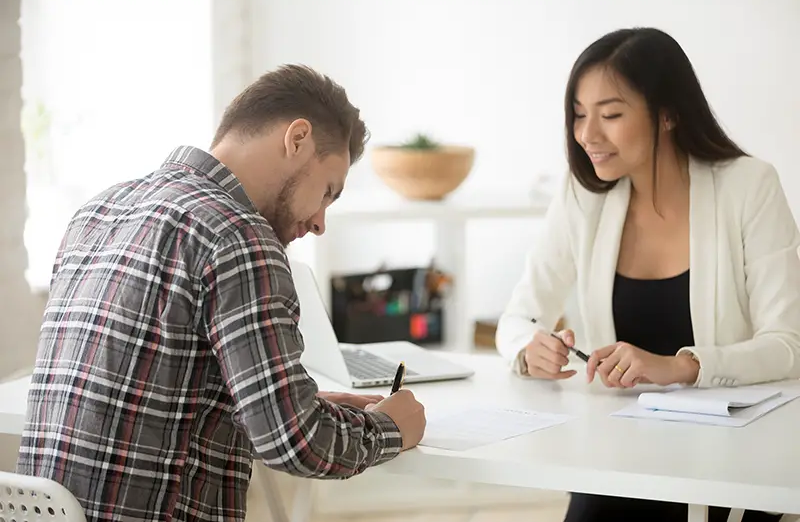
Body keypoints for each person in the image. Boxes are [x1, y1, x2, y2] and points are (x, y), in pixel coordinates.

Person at [16, 64, 427, 522]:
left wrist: (290, 401)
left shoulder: (98, 213)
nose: (319, 222)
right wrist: (390, 428)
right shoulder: (238, 238)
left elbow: (155, 396)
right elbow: (296, 443)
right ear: (297, 139)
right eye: (328, 191)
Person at [495, 27, 800, 522]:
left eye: (611, 115)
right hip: (618, 455)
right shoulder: (583, 196)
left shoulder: (749, 187)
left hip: (730, 459)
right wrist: (531, 351)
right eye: (578, 115)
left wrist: (680, 366)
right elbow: (518, 319)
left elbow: (789, 344)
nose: (587, 135)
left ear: (668, 114)